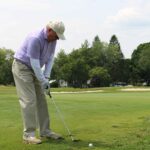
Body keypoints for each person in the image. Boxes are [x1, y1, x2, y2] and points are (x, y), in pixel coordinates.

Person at [12, 21, 65, 144]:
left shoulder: (53, 40)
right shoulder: (35, 38)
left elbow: (50, 59)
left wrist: (46, 77)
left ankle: (45, 130)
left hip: (35, 68)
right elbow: (35, 63)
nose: (57, 38)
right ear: (50, 30)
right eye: (56, 35)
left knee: (41, 98)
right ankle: (28, 135)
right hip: (22, 67)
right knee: (29, 100)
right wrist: (43, 80)